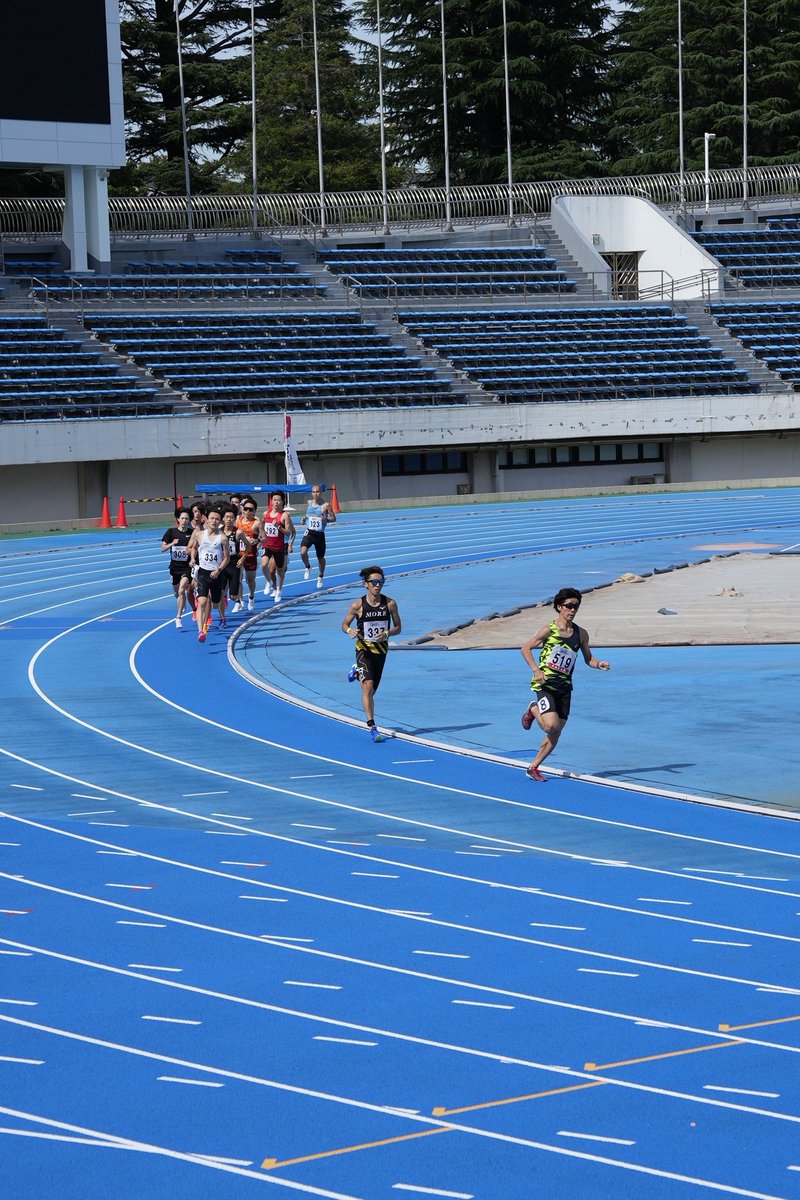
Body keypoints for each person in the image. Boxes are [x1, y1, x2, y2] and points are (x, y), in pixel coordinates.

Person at [520, 587, 610, 781]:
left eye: (576, 606)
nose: (573, 610)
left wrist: (599, 664)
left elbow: (588, 659)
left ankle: (533, 767)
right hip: (546, 685)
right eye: (569, 606)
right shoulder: (549, 630)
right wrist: (536, 670)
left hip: (565, 688)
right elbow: (526, 648)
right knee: (549, 726)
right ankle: (534, 709)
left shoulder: (581, 634)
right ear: (559, 607)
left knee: (556, 731)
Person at [341, 566, 401, 743]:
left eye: (381, 582)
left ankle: (356, 672)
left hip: (381, 651)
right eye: (374, 582)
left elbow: (398, 627)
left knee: (372, 691)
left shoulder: (390, 604)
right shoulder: (357, 605)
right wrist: (350, 630)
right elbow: (344, 625)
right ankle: (372, 727)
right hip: (363, 649)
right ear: (365, 584)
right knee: (368, 686)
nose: (378, 585)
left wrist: (387, 633)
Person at [188, 505, 229, 643]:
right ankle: (200, 631)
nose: (214, 521)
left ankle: (207, 620)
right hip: (203, 573)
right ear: (207, 519)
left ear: (220, 521)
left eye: (217, 519)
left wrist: (218, 570)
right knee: (202, 602)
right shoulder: (200, 535)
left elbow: (227, 558)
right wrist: (193, 559)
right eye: (212, 518)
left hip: (216, 574)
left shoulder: (223, 538)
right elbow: (193, 548)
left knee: (215, 604)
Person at [160, 507, 194, 628]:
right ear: (178, 519)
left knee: (182, 590)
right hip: (174, 568)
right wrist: (171, 544)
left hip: (187, 567)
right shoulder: (171, 532)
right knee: (177, 593)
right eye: (182, 518)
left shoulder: (192, 533)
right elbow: (162, 549)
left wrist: (191, 553)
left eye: (187, 519)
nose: (184, 521)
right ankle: (182, 602)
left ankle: (178, 618)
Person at [261, 490, 295, 603]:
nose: (276, 502)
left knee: (280, 571)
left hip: (279, 547)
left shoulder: (284, 515)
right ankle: (269, 582)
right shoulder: (266, 514)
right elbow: (262, 528)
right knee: (264, 565)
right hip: (268, 545)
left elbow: (288, 532)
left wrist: (279, 527)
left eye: (278, 500)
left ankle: (279, 590)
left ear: (282, 501)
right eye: (274, 500)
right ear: (271, 501)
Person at [300, 483, 336, 589]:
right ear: (311, 493)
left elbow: (334, 518)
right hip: (309, 532)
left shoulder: (326, 505)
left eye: (317, 492)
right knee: (303, 552)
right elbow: (307, 516)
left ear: (321, 492)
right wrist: (303, 520)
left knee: (320, 558)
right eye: (313, 492)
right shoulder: (309, 503)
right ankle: (308, 566)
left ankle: (320, 576)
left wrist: (327, 520)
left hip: (319, 534)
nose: (315, 494)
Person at [235, 496, 263, 611]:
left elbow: (265, 538)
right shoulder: (237, 522)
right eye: (246, 508)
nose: (247, 511)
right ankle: (239, 601)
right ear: (242, 509)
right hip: (238, 555)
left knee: (250, 580)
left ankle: (251, 597)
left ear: (254, 511)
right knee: (237, 578)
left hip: (251, 556)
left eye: (250, 509)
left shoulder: (257, 523)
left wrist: (257, 540)